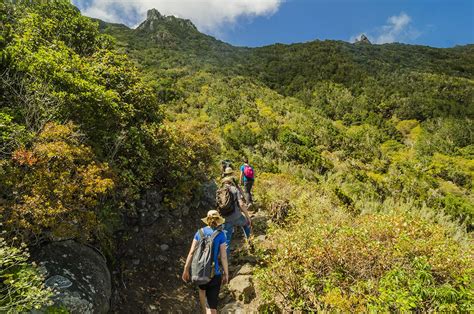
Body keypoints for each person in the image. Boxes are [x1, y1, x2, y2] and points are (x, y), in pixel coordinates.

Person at [182, 210, 229, 314]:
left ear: (207, 220)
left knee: (202, 291)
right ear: (218, 220)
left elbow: (191, 253)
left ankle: (204, 310)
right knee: (212, 308)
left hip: (200, 271)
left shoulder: (199, 233)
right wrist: (226, 273)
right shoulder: (221, 235)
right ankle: (208, 310)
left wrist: (186, 269)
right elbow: (223, 257)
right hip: (214, 273)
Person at [220, 174, 252, 257]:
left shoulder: (219, 191)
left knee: (226, 240)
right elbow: (241, 204)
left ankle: (226, 262)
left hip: (225, 218)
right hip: (237, 216)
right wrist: (248, 217)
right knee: (247, 224)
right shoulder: (234, 189)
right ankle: (250, 244)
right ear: (231, 182)